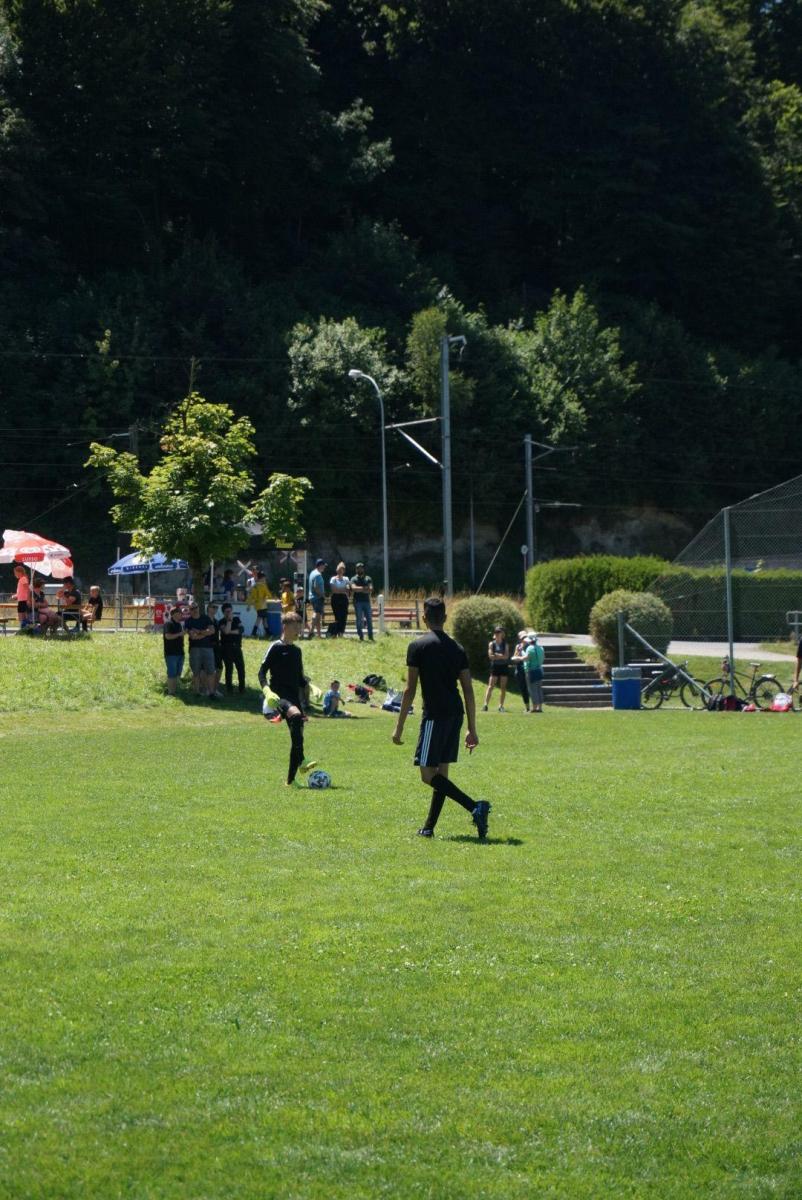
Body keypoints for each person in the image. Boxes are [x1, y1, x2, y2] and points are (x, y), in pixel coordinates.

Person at [392, 596, 490, 840]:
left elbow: (410, 689)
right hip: (455, 715)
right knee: (441, 775)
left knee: (427, 774)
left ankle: (475, 806)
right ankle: (429, 827)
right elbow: (468, 690)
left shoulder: (417, 647)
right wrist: (472, 728)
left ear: (424, 618)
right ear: (445, 618)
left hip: (434, 716)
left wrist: (399, 727)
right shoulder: (457, 648)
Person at [257, 612, 318, 786]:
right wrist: (267, 691)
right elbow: (261, 672)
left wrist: (311, 686)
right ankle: (302, 760)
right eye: (295, 626)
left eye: (299, 626)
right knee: (296, 716)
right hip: (279, 697)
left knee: (297, 737)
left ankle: (290, 781)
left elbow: (299, 678)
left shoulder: (297, 651)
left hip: (294, 697)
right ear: (285, 627)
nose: (298, 630)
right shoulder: (275, 647)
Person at [184, 601, 217, 697]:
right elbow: (193, 637)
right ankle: (197, 693)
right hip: (195, 649)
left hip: (208, 648)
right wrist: (205, 633)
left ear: (198, 608)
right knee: (196, 672)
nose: (194, 610)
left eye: (196, 607)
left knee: (211, 671)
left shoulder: (206, 618)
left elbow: (212, 630)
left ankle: (211, 693)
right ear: (189, 610)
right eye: (192, 609)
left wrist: (199, 631)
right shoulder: (188, 621)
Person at [219, 602, 246, 694]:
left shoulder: (237, 619)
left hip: (237, 647)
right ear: (223, 612)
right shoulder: (221, 622)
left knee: (241, 668)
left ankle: (242, 689)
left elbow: (241, 630)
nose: (229, 613)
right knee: (229, 669)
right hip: (226, 648)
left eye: (230, 611)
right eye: (227, 611)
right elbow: (226, 631)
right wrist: (229, 621)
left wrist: (231, 631)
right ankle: (229, 689)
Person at [482, 625, 510, 711]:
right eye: (496, 632)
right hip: (495, 667)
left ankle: (501, 706)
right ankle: (485, 705)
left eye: (499, 632)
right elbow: (491, 656)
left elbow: (506, 656)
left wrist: (497, 655)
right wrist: (501, 656)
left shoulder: (505, 644)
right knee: (490, 686)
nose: (497, 634)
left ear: (502, 634)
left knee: (503, 687)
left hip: (504, 667)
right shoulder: (492, 644)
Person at [162, 605, 186, 696]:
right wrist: (180, 634)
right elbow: (168, 636)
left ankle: (174, 691)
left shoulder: (179, 624)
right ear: (175, 614)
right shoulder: (168, 624)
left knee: (177, 674)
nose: (181, 614)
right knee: (172, 674)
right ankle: (171, 693)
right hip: (171, 653)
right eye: (180, 612)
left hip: (180, 653)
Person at [350, 562, 374, 641]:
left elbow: (371, 589)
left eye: (361, 568)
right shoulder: (353, 579)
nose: (360, 569)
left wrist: (359, 589)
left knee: (369, 619)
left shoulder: (368, 578)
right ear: (356, 569)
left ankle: (370, 636)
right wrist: (364, 588)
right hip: (357, 602)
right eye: (358, 568)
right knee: (359, 619)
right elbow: (353, 588)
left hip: (367, 601)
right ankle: (361, 636)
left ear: (363, 569)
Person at [522, 633, 545, 713]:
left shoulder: (529, 648)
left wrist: (518, 657)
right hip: (540, 670)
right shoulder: (541, 648)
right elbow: (543, 659)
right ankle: (540, 707)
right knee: (539, 689)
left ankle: (534, 707)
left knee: (532, 689)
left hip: (531, 671)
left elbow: (526, 658)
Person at [247, 570, 273, 639]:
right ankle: (254, 633)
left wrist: (249, 605)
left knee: (264, 619)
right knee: (259, 619)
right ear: (261, 578)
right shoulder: (263, 586)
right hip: (263, 605)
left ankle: (268, 633)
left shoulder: (254, 586)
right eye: (264, 578)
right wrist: (272, 598)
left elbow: (250, 596)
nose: (265, 580)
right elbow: (269, 595)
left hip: (257, 605)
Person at [206, 602, 224, 697]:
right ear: (208, 608)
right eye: (213, 607)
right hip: (207, 646)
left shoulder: (217, 621)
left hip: (217, 646)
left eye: (217, 607)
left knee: (219, 668)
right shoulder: (204, 620)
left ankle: (214, 689)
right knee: (208, 669)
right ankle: (208, 689)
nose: (215, 609)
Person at [512, 629, 532, 713]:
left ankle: (535, 706)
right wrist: (518, 653)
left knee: (531, 688)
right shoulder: (518, 646)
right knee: (523, 689)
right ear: (520, 638)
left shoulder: (530, 646)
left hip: (529, 669)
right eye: (522, 637)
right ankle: (527, 707)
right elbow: (514, 659)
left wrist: (520, 658)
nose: (524, 639)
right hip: (520, 669)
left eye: (525, 637)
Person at [329, 562, 350, 636]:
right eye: (339, 569)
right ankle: (336, 631)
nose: (341, 571)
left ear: (344, 571)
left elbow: (348, 589)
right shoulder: (333, 579)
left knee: (344, 615)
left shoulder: (346, 578)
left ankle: (341, 632)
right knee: (337, 616)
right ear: (337, 570)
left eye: (342, 569)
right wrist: (343, 589)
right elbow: (333, 590)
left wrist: (340, 590)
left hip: (344, 598)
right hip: (335, 598)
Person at [308, 558, 327, 638]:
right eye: (324, 566)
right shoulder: (318, 575)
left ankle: (319, 635)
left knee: (318, 616)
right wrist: (322, 595)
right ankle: (311, 631)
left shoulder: (312, 573)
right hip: (318, 597)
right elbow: (316, 587)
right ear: (320, 565)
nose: (324, 567)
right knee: (316, 613)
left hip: (312, 597)